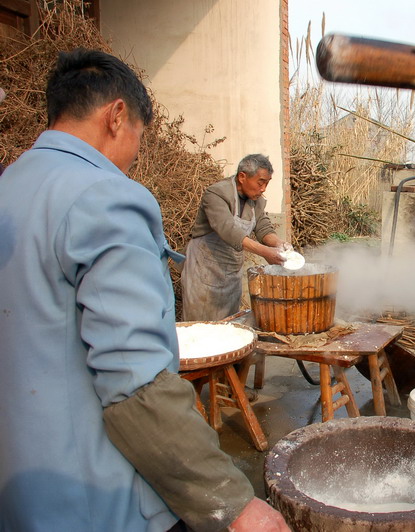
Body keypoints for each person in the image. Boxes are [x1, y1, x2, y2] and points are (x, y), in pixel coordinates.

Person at [0, 48, 289, 531]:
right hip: (96, 498)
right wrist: (230, 502)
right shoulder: (106, 196)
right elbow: (135, 385)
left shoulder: (12, 184)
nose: (135, 155)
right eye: (140, 135)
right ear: (117, 116)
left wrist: (279, 247)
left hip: (24, 486)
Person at [181, 153, 288, 321]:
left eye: (267, 183)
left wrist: (280, 244)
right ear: (242, 176)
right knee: (201, 328)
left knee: (229, 326)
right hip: (205, 270)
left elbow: (263, 228)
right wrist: (266, 252)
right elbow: (228, 230)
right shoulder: (216, 194)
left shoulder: (257, 202)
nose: (263, 189)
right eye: (261, 182)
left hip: (231, 273)